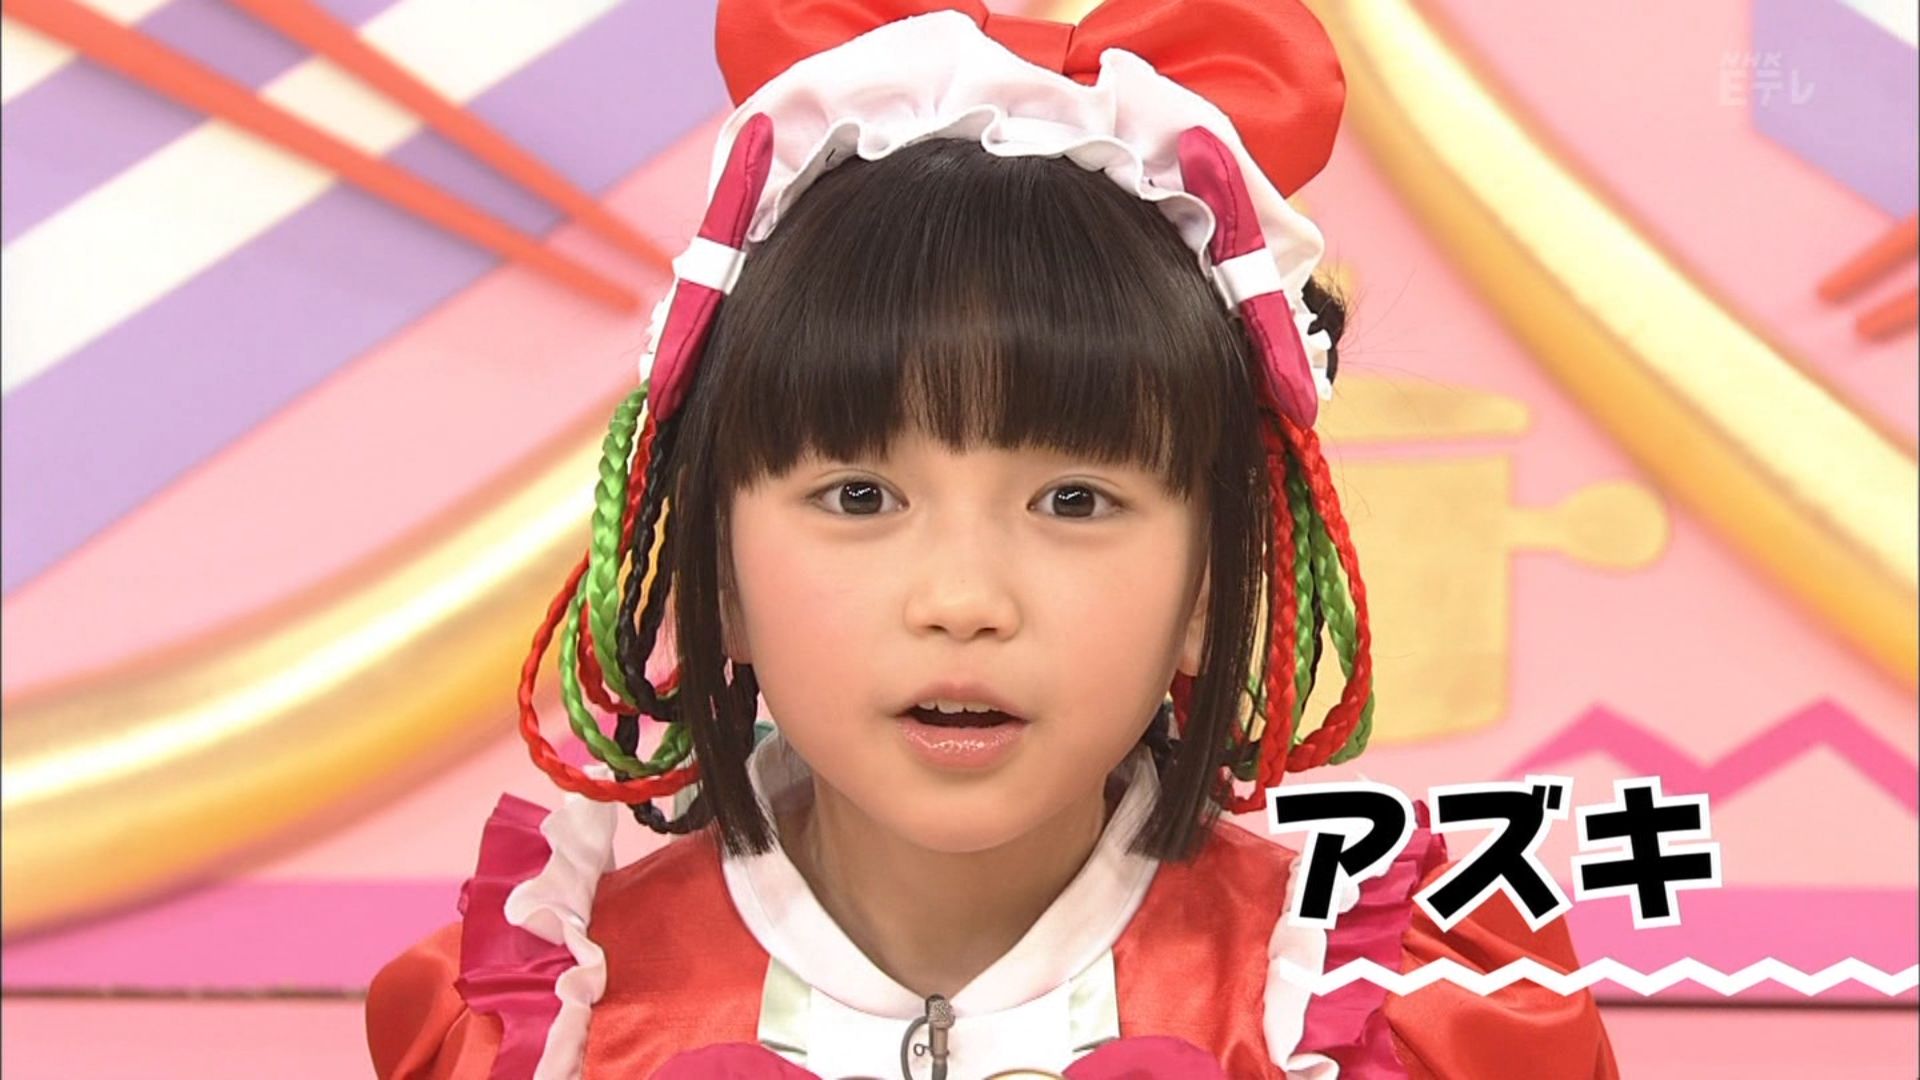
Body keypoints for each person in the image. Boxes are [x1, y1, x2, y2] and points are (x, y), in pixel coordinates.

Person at [366, 1, 1619, 1076]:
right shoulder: (554, 1018)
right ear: (717, 568)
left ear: (1213, 580)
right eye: (860, 497)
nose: (963, 600)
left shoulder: (1381, 1013)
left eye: (1073, 501)